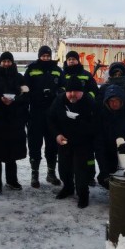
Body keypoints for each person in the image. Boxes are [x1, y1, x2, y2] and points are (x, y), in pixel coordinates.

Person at [48, 77, 97, 208]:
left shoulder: (89, 102)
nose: (72, 94)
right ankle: (68, 187)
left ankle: (83, 194)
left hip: (83, 142)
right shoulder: (59, 100)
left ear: (82, 92)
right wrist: (57, 134)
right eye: (69, 91)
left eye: (76, 92)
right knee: (64, 168)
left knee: (81, 171)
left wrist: (79, 121)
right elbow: (51, 119)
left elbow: (96, 124)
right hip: (64, 140)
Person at [0, 51, 28, 194]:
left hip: (14, 119)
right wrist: (0, 99)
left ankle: (12, 180)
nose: (6, 63)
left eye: (8, 61)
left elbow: (26, 94)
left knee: (12, 152)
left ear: (12, 62)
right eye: (3, 61)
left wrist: (15, 99)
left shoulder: (19, 77)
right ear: (0, 62)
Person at [23, 45, 64, 188]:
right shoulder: (31, 69)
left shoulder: (57, 70)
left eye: (48, 56)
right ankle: (34, 175)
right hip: (36, 112)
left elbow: (63, 87)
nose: (46, 58)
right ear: (39, 56)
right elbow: (25, 89)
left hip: (53, 113)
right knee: (34, 144)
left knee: (52, 144)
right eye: (43, 56)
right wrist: (36, 94)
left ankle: (51, 173)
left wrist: (56, 93)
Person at [62, 50, 99, 186]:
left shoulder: (86, 75)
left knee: (87, 149)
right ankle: (71, 175)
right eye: (69, 59)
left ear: (78, 60)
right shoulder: (62, 75)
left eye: (74, 59)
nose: (71, 61)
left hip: (84, 114)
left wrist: (86, 99)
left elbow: (94, 91)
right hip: (67, 115)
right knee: (70, 148)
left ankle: (90, 175)